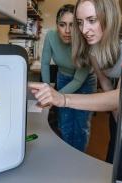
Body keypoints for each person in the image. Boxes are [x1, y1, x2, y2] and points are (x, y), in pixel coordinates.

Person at [29, 0, 122, 172]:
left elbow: (120, 96)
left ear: (109, 16)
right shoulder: (94, 47)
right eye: (80, 22)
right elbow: (105, 83)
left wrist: (62, 98)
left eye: (92, 20)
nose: (83, 30)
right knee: (116, 146)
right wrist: (118, 118)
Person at [40, 4, 97, 152]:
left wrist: (55, 96)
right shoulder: (51, 36)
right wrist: (47, 89)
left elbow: (78, 80)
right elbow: (45, 63)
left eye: (72, 25)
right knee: (64, 121)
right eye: (62, 24)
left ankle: (79, 159)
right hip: (63, 77)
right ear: (56, 25)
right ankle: (66, 155)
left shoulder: (85, 42)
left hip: (85, 82)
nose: (67, 31)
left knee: (80, 124)